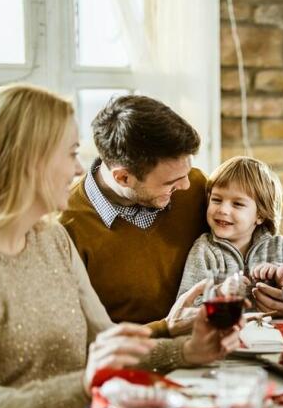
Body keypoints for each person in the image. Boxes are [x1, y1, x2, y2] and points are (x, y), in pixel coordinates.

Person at [0, 85, 240, 408]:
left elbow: (105, 343)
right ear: (28, 162)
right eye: (71, 153)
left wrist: (187, 351)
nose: (77, 169)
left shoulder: (51, 239)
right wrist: (86, 383)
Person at [59, 95, 209, 337]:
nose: (186, 186)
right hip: (130, 367)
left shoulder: (196, 186)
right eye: (170, 182)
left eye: (188, 171)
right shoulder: (66, 229)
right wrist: (165, 329)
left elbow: (259, 244)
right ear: (123, 177)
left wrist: (282, 288)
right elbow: (77, 340)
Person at [177, 156, 283, 303]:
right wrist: (219, 292)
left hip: (275, 325)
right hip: (227, 325)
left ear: (260, 215)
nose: (223, 210)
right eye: (217, 200)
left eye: (237, 204)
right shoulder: (205, 250)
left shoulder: (277, 245)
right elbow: (184, 307)